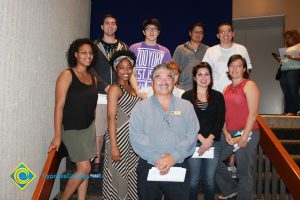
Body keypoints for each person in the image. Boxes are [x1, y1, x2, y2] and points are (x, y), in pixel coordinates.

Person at [129, 63, 199, 200]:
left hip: (178, 164)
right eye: (158, 77)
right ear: (152, 81)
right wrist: (158, 159)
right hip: (149, 165)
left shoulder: (186, 106)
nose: (164, 81)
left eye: (168, 77)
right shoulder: (141, 107)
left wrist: (173, 157)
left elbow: (191, 135)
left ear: (174, 81)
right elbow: (137, 137)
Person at [48, 38, 98, 200]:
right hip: (71, 128)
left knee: (84, 168)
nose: (88, 56)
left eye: (90, 53)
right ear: (75, 55)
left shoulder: (93, 78)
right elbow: (59, 106)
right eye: (84, 53)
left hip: (88, 128)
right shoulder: (67, 75)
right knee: (84, 168)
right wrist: (57, 135)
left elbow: (92, 105)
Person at [216, 54, 260, 200]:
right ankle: (230, 189)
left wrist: (244, 136)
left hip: (247, 132)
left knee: (243, 172)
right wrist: (225, 132)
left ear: (244, 69)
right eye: (232, 65)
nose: (235, 68)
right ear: (228, 68)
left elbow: (253, 113)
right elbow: (223, 114)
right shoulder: (226, 89)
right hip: (229, 133)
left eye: (239, 65)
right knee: (213, 161)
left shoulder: (249, 85)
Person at [91, 14, 129, 174]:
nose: (110, 26)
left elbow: (128, 70)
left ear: (116, 27)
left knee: (117, 129)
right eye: (107, 23)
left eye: (113, 23)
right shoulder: (93, 46)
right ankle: (97, 162)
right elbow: (90, 69)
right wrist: (105, 86)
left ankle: (115, 163)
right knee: (99, 130)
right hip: (100, 94)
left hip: (119, 95)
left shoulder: (123, 47)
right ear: (102, 27)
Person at [182, 62, 225, 200]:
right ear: (194, 78)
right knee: (194, 179)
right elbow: (186, 122)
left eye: (207, 74)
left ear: (211, 77)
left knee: (210, 180)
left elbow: (220, 120)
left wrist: (209, 140)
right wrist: (201, 139)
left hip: (214, 143)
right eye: (199, 74)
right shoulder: (186, 96)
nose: (203, 77)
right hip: (194, 142)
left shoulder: (218, 96)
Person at [101, 50, 140, 200]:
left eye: (129, 67)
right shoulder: (114, 89)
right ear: (115, 68)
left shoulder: (132, 88)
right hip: (118, 138)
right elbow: (111, 118)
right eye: (122, 67)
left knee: (130, 175)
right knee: (118, 176)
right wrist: (114, 146)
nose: (126, 70)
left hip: (132, 139)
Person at [202, 22, 252, 93]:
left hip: (238, 92)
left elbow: (247, 71)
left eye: (228, 31)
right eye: (222, 32)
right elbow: (204, 71)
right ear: (218, 35)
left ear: (233, 33)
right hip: (216, 92)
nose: (226, 34)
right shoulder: (211, 51)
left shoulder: (241, 49)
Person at [130, 18, 172, 97]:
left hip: (157, 95)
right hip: (136, 94)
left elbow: (167, 75)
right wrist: (137, 92)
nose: (152, 31)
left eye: (155, 29)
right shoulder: (134, 48)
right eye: (148, 28)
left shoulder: (165, 51)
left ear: (158, 32)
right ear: (143, 32)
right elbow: (130, 72)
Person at [172, 22, 209, 91]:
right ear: (190, 33)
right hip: (183, 88)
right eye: (196, 32)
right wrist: (174, 83)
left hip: (203, 89)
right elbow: (173, 69)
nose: (198, 34)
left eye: (201, 32)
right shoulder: (180, 49)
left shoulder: (208, 50)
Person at [272, 29, 300, 116]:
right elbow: (283, 60)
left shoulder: (299, 45)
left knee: (293, 91)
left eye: (289, 37)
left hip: (294, 70)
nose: (287, 39)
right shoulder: (286, 47)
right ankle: (287, 110)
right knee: (286, 92)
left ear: (295, 37)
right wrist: (278, 58)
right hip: (284, 71)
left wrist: (291, 57)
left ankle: (294, 111)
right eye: (286, 37)